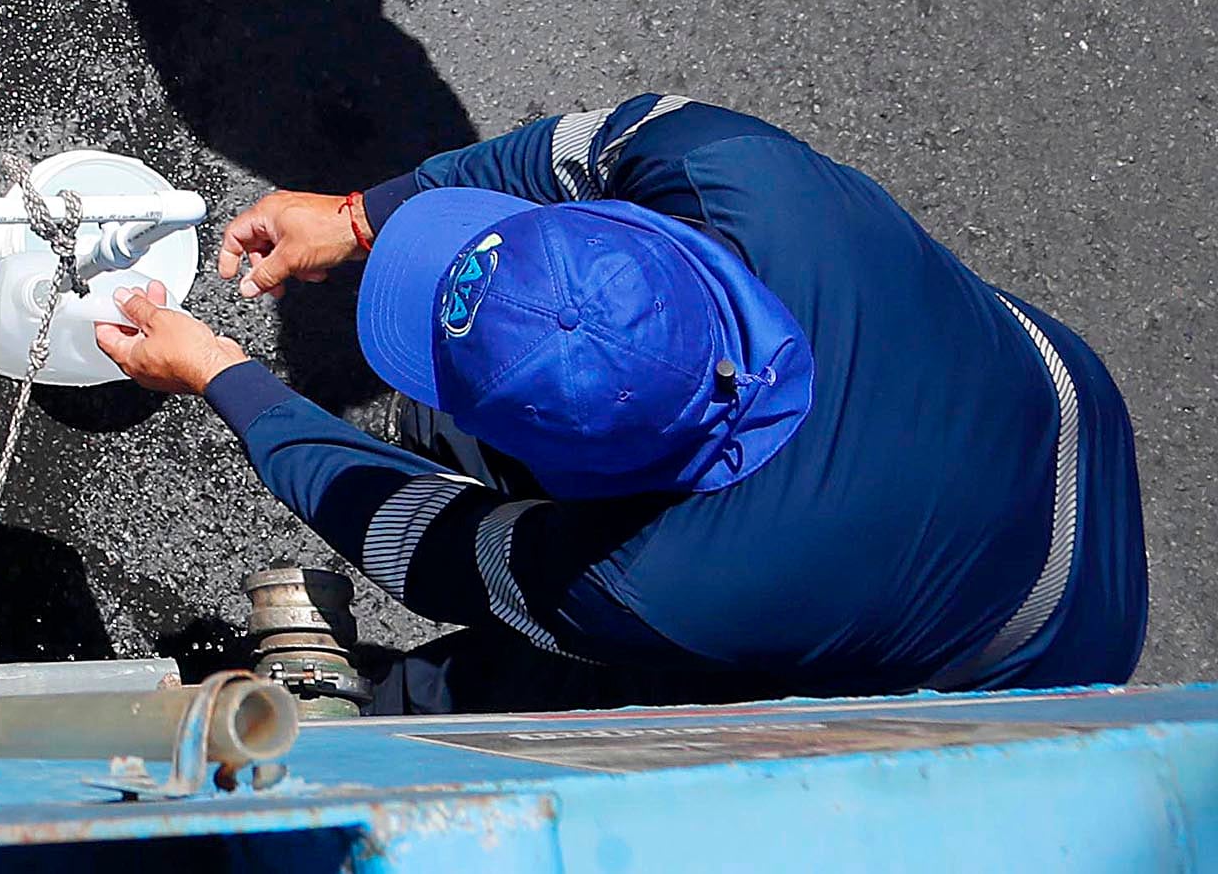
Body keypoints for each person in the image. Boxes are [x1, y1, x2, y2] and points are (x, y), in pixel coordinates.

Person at [94, 95, 1145, 713]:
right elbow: (560, 152)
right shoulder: (730, 171)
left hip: (1029, 650)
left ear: (595, 489)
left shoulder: (666, 581)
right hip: (1048, 399)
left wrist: (223, 374)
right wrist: (361, 218)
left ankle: (389, 712)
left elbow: (417, 533)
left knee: (563, 694)